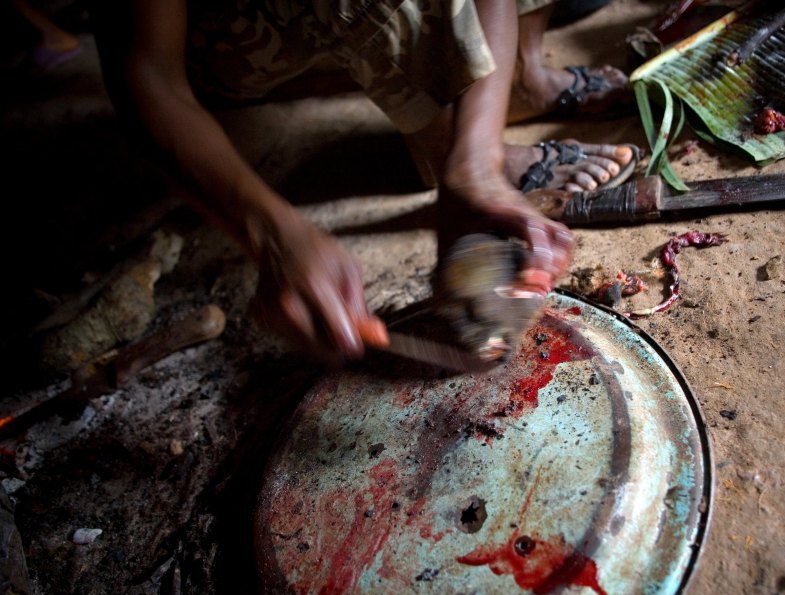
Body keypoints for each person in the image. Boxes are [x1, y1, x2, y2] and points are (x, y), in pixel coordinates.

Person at [89, 0, 638, 363]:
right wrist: (272, 232)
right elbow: (146, 73)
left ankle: (501, 100)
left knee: (475, 147)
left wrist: (475, 163)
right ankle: (442, 128)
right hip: (218, 38)